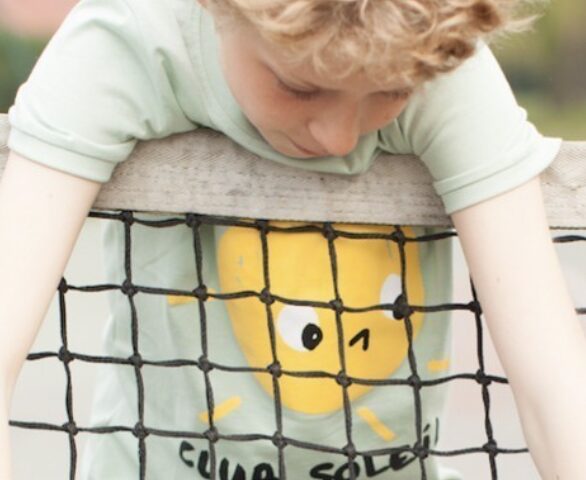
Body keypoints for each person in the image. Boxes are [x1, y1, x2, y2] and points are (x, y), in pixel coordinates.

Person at [1, 0, 586, 478]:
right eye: (299, 87)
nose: (338, 137)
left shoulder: (433, 48)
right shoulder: (124, 39)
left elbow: (553, 387)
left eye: (390, 92)